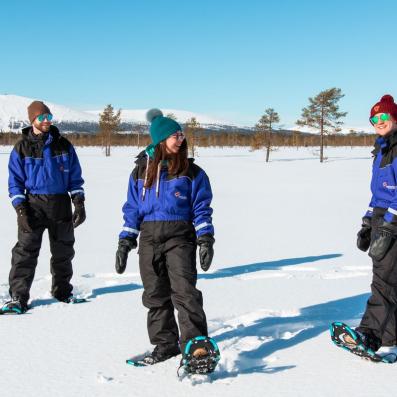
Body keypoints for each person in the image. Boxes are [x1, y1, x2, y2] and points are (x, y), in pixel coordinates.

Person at [115, 108, 215, 365]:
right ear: (160, 139)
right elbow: (133, 208)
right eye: (175, 134)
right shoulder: (140, 171)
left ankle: (196, 347)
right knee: (155, 295)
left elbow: (201, 208)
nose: (181, 139)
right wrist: (126, 241)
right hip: (148, 238)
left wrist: (205, 238)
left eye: (181, 134)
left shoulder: (193, 172)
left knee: (185, 292)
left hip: (180, 236)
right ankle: (165, 344)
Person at [2, 100, 86, 314]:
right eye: (42, 117)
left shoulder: (64, 145)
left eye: (49, 117)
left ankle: (62, 291)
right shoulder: (22, 147)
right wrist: (20, 210)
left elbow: (75, 177)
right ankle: (19, 297)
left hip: (60, 204)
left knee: (63, 251)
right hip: (33, 206)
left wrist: (78, 201)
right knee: (25, 252)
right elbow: (15, 183)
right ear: (33, 120)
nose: (47, 121)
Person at [354, 94, 397, 351]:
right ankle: (389, 337)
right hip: (383, 217)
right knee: (390, 280)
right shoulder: (381, 149)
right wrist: (368, 222)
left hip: (394, 221)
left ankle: (369, 334)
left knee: (383, 281)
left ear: (394, 117)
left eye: (383, 116)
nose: (378, 121)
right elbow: (378, 193)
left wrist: (389, 226)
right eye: (374, 118)